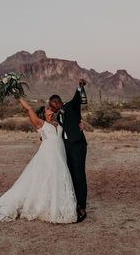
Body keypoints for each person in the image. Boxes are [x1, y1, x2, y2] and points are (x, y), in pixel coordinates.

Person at [0, 97, 77, 224]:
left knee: (60, 178)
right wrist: (18, 95)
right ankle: (48, 207)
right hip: (48, 155)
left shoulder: (58, 123)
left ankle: (58, 206)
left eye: (51, 108)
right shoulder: (40, 123)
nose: (50, 110)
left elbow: (72, 124)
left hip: (60, 155)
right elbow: (28, 109)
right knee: (50, 177)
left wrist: (80, 124)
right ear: (43, 113)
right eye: (48, 109)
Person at [49, 79, 88, 222]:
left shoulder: (71, 106)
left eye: (52, 104)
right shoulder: (58, 115)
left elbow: (77, 98)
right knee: (71, 175)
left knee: (79, 175)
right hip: (67, 147)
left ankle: (82, 206)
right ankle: (74, 203)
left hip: (78, 145)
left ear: (57, 102)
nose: (50, 107)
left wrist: (80, 86)